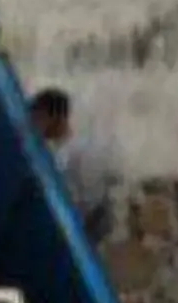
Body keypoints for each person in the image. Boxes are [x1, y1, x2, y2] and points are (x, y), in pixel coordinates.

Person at [30, 87, 118, 244]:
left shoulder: (78, 151)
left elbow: (93, 200)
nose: (37, 124)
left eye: (40, 117)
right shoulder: (56, 153)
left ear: (56, 117)